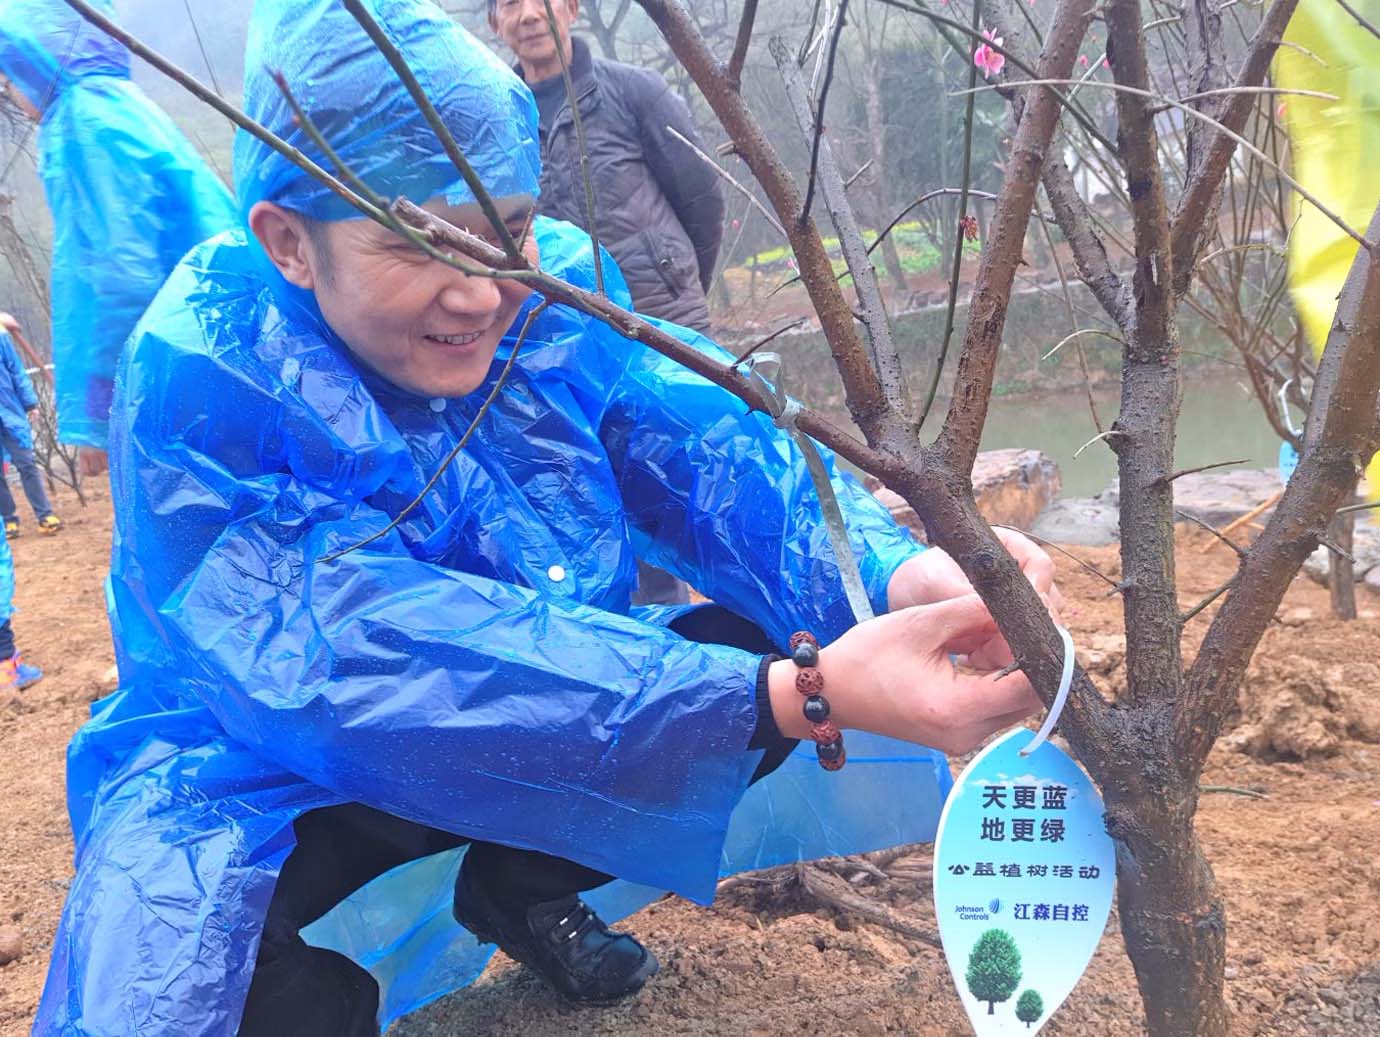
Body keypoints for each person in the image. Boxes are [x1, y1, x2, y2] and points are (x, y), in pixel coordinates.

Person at [35, 3, 1058, 1035]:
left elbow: (701, 447)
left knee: (766, 641)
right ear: (291, 241)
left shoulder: (551, 286)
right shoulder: (211, 365)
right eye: (424, 242)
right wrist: (794, 695)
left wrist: (885, 576)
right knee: (186, 969)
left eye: (507, 228)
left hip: (546, 698)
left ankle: (519, 889)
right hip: (270, 761)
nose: (483, 290)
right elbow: (351, 661)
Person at [0, 0, 238, 478]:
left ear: (37, 54)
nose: (6, 87)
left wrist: (97, 417)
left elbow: (117, 273)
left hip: (175, 377)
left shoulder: (80, 125)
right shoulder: (122, 104)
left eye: (8, 74)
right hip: (218, 344)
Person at [488, 0, 725, 336]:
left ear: (572, 7)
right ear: (495, 22)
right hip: (563, 335)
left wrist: (681, 282)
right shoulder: (497, 124)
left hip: (667, 323)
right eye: (511, 3)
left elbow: (702, 199)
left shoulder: (637, 91)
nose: (529, 14)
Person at [0, 316, 59, 536]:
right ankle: (8, 520)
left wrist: (30, 403)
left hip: (8, 412)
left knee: (26, 464)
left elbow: (15, 370)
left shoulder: (1, 334)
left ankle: (44, 515)